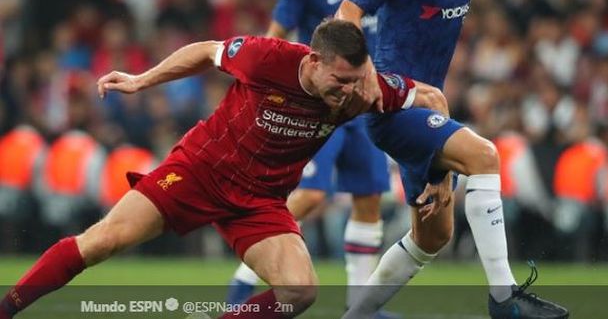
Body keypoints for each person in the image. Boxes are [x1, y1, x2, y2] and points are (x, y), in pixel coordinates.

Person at [336, 0, 608, 319]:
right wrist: (366, 79)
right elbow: (347, 13)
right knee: (484, 155)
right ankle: (505, 299)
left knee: (432, 238)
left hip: (427, 105)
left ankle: (354, 316)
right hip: (394, 103)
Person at [0, 20, 446, 319]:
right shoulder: (266, 57)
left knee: (300, 292)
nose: (349, 92)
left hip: (260, 201)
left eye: (356, 80)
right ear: (313, 62)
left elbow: (432, 100)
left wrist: (439, 176)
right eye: (341, 81)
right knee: (102, 241)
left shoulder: (365, 90)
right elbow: (204, 51)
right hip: (199, 171)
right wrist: (140, 81)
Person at [227, 0, 397, 316]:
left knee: (368, 197)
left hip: (368, 105)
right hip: (318, 105)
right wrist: (263, 88)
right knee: (310, 196)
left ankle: (361, 307)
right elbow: (276, 31)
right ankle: (241, 288)